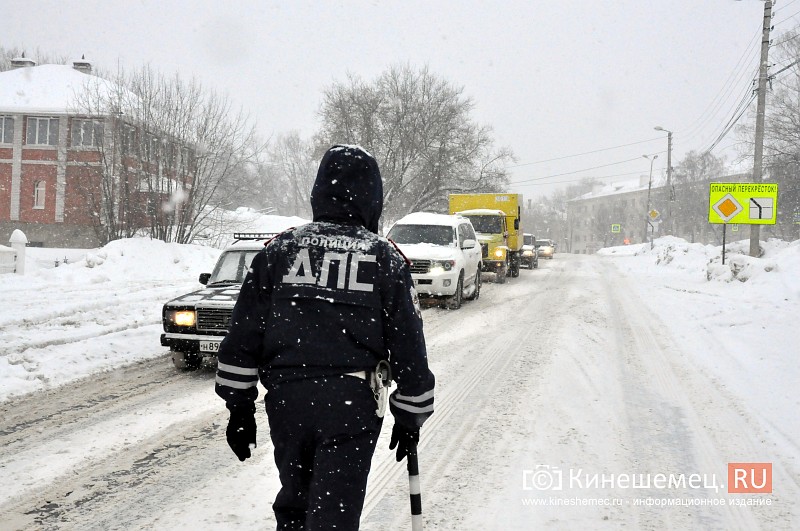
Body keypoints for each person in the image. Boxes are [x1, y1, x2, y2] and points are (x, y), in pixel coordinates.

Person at [215, 144, 435, 530]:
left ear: (319, 191)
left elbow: (244, 335)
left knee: (295, 508)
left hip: (288, 402)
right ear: (372, 198)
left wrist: (240, 408)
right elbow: (408, 345)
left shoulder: (279, 251)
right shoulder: (383, 258)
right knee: (334, 515)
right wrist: (410, 413)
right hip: (350, 406)